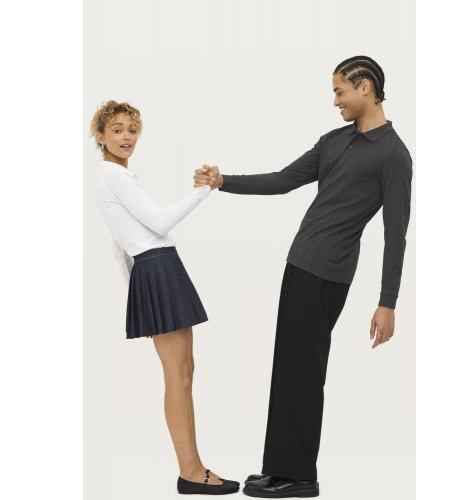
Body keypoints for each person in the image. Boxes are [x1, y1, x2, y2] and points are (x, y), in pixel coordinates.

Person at [194, 56, 413, 498]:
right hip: (299, 265)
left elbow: (396, 235)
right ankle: (280, 468)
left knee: (306, 372)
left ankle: (300, 477)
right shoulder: (334, 140)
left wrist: (387, 302)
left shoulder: (394, 155)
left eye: (339, 91)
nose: (335, 101)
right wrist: (222, 181)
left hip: (329, 274)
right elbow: (283, 180)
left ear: (365, 87)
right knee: (288, 368)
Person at [91, 100, 239, 495]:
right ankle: (190, 472)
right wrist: (202, 192)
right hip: (156, 267)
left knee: (185, 373)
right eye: (117, 130)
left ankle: (195, 467)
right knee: (178, 375)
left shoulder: (114, 177)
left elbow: (119, 246)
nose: (126, 137)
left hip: (157, 269)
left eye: (132, 130)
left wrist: (136, 291)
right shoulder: (113, 176)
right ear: (101, 136)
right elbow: (157, 222)